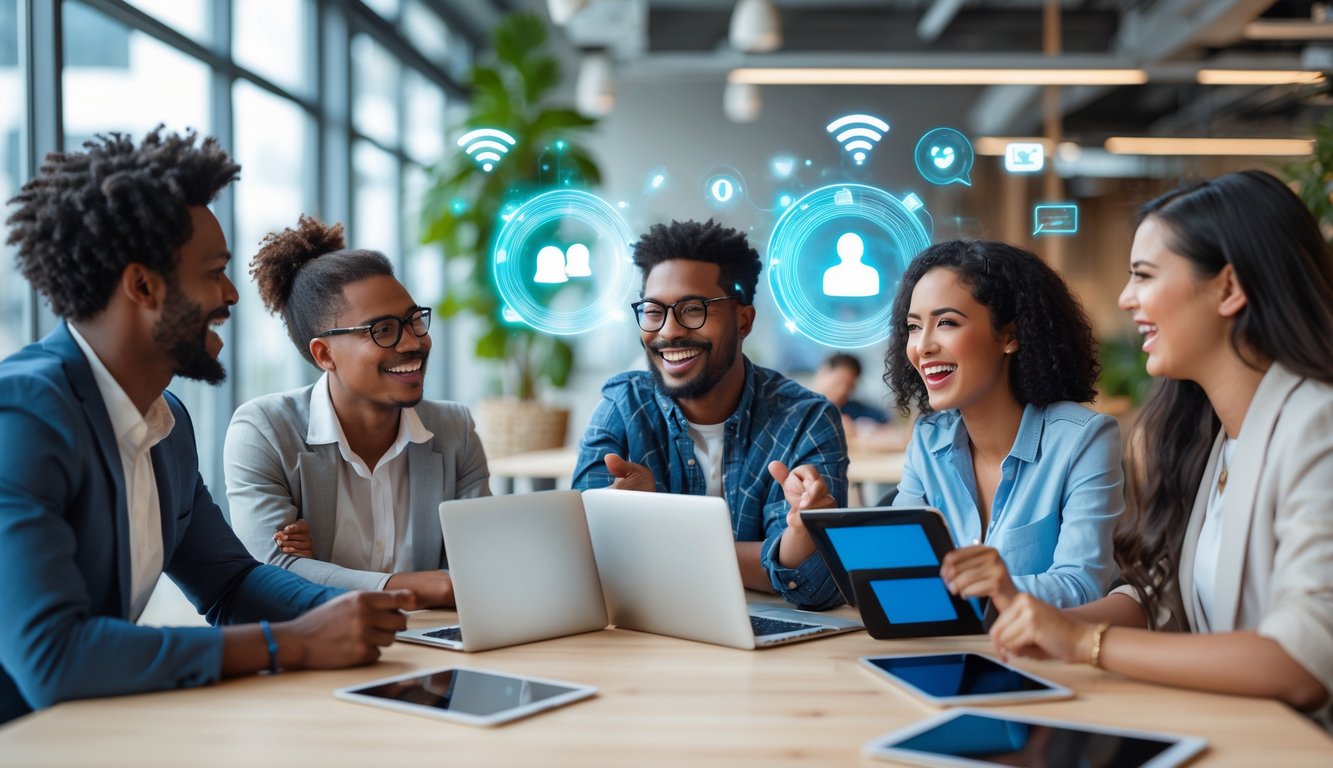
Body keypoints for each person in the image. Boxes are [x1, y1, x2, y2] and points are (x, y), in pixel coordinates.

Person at [0, 129, 410, 724]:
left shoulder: (166, 421)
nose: (231, 294)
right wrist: (291, 643)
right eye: (213, 271)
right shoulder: (26, 416)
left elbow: (229, 584)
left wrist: (358, 607)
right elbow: (53, 658)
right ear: (142, 285)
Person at [969, 171, 1332, 722]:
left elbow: (1303, 662)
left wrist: (1086, 644)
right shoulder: (1214, 435)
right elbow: (1165, 599)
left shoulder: (1317, 425)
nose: (1125, 298)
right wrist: (1041, 621)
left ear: (1230, 289)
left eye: (1143, 275)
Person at [572, 219, 848, 610]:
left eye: (692, 309)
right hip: (646, 641)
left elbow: (817, 586)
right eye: (654, 311)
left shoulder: (805, 419)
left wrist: (655, 538)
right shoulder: (624, 407)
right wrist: (767, 556)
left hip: (772, 652)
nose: (668, 332)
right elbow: (581, 561)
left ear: (743, 321)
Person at [224, 216, 490, 608]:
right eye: (383, 330)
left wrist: (318, 571)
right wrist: (415, 587)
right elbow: (271, 571)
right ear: (324, 354)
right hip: (316, 653)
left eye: (415, 320)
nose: (414, 342)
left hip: (433, 646)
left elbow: (480, 565)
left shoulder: (455, 430)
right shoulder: (264, 431)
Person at [883, 240, 1124, 608]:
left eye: (946, 322)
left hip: (1042, 660)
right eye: (914, 328)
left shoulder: (1084, 440)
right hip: (946, 652)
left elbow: (1082, 586)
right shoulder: (928, 438)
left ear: (1009, 336)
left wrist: (996, 587)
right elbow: (897, 570)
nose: (923, 346)